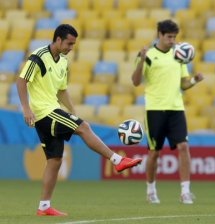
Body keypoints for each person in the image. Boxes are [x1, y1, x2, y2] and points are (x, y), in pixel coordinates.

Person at [17, 24, 142, 216]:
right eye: (69, 43)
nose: (71, 47)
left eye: (74, 44)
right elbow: (21, 80)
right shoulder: (39, 56)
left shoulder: (63, 62)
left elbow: (62, 90)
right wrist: (26, 109)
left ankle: (43, 207)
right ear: (58, 39)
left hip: (52, 111)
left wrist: (73, 111)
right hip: (44, 113)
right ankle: (117, 160)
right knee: (84, 127)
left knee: (55, 160)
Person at [132, 20, 204, 204]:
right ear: (160, 35)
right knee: (154, 153)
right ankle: (150, 191)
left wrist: (194, 80)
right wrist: (140, 60)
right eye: (169, 37)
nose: (172, 40)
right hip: (154, 110)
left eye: (174, 37)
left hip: (176, 109)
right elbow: (135, 81)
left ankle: (185, 192)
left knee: (183, 147)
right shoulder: (147, 54)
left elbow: (183, 85)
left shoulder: (179, 55)